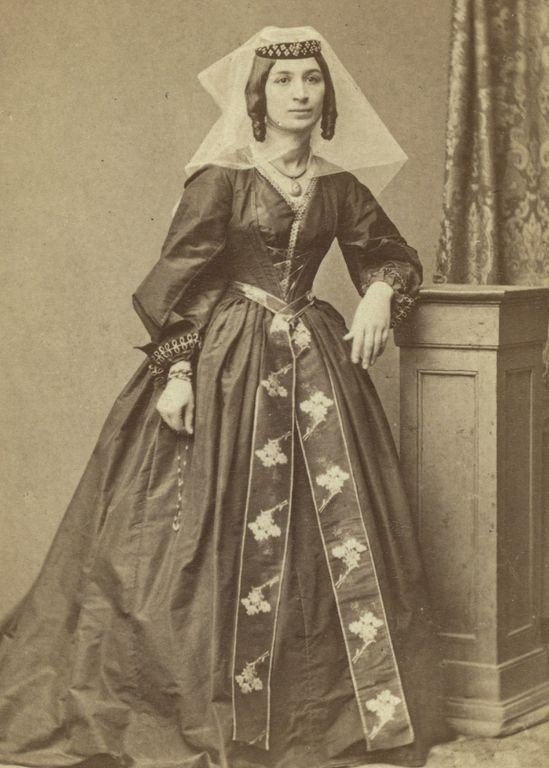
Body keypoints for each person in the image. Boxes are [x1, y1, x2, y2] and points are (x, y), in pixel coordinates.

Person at [0, 26, 451, 768]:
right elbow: (180, 281)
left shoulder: (339, 186)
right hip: (227, 365)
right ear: (257, 96)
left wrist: (377, 289)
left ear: (327, 92)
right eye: (283, 81)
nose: (301, 93)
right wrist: (178, 371)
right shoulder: (222, 179)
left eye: (312, 79)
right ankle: (217, 709)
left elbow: (391, 254)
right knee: (203, 534)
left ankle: (316, 715)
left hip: (316, 364)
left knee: (326, 532)